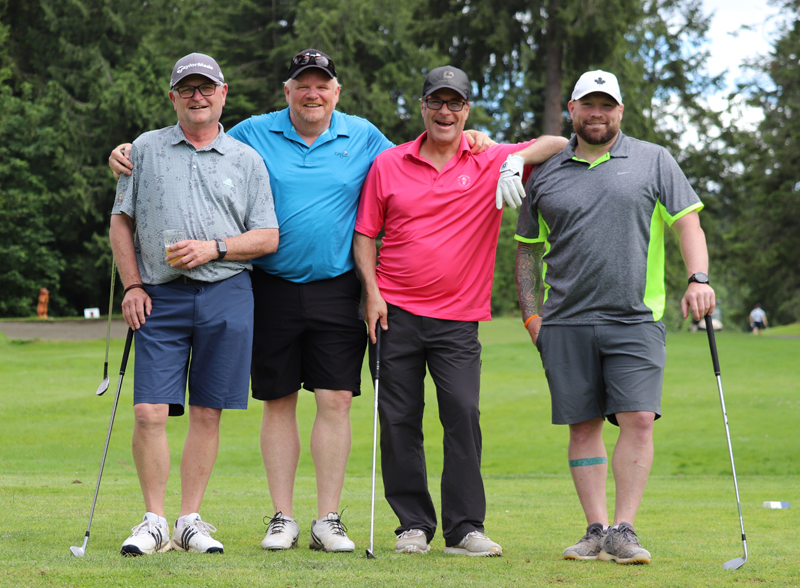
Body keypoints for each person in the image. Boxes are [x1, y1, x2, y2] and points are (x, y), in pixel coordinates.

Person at [110, 49, 494, 553]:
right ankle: (283, 517)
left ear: (336, 92)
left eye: (322, 85)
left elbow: (415, 159)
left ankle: (327, 519)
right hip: (270, 285)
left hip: (338, 286)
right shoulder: (254, 132)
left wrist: (468, 137)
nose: (313, 94)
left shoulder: (363, 136)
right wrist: (127, 152)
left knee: (336, 400)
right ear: (287, 91)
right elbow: (199, 139)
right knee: (279, 400)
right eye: (302, 85)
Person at [353, 65, 568, 557]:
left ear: (467, 109)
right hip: (394, 313)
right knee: (398, 420)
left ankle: (465, 527)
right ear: (423, 107)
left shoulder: (490, 159)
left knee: (463, 415)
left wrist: (515, 160)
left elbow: (559, 143)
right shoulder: (389, 163)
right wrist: (372, 293)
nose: (445, 112)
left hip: (457, 319)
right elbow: (365, 234)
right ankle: (412, 525)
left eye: (455, 103)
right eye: (436, 102)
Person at [512, 70, 715, 565]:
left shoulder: (654, 159)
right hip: (565, 320)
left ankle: (624, 530)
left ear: (620, 111)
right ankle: (596, 529)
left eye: (607, 105)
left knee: (639, 418)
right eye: (588, 104)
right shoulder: (545, 171)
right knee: (582, 426)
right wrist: (532, 316)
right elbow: (526, 250)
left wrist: (698, 278)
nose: (597, 113)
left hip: (635, 318)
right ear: (573, 110)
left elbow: (688, 223)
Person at [109, 53, 279, 556]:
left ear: (223, 94)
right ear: (173, 97)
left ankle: (188, 521)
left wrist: (215, 248)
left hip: (227, 293)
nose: (197, 97)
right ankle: (154, 521)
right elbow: (121, 221)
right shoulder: (143, 149)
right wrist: (132, 285)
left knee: (207, 412)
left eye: (206, 88)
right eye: (187, 89)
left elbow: (267, 236)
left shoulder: (247, 159)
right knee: (148, 412)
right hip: (159, 296)